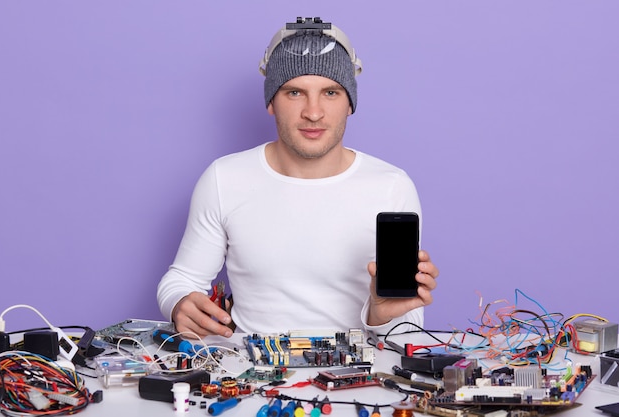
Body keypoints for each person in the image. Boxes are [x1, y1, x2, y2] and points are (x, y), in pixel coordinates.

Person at [157, 17, 439, 338]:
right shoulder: (224, 178)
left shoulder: (391, 186)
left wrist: (380, 315)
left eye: (330, 92)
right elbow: (181, 279)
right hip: (250, 373)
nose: (313, 112)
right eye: (295, 92)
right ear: (271, 103)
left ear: (350, 103)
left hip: (358, 376)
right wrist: (179, 303)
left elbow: (408, 325)